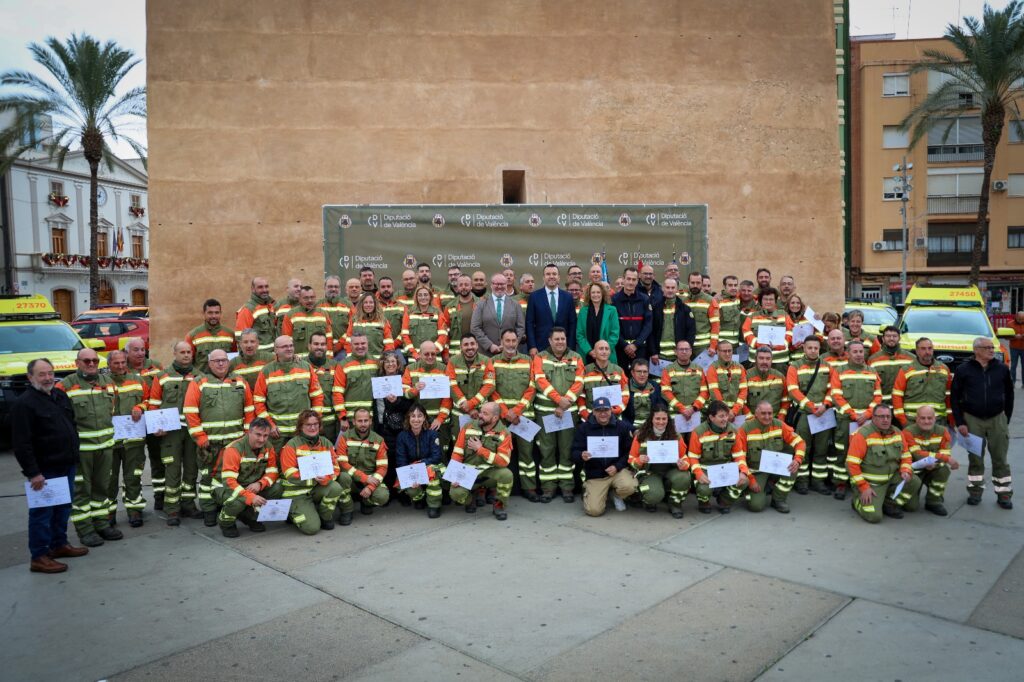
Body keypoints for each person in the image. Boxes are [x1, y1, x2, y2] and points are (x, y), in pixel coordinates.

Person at [13, 358, 89, 573]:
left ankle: (59, 545)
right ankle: (39, 556)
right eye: (41, 374)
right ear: (30, 377)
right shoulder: (24, 404)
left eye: (50, 373)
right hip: (45, 470)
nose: (47, 378)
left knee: (63, 508)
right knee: (42, 513)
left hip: (65, 464)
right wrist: (33, 473)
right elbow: (21, 443)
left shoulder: (59, 395)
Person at [55, 348, 122, 545]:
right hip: (81, 450)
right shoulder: (65, 386)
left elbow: (112, 410)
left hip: (105, 447)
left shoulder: (108, 383)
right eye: (86, 361)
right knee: (81, 490)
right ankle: (85, 530)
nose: (91, 364)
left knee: (102, 487)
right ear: (77, 363)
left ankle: (101, 524)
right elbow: (61, 421)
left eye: (94, 360)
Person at [184, 348, 255, 526]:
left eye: (224, 360)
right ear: (209, 364)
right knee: (208, 477)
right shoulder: (199, 382)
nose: (221, 363)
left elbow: (249, 409)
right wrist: (200, 438)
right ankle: (208, 509)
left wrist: (247, 435)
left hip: (235, 443)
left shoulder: (239, 381)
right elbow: (190, 412)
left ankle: (232, 508)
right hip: (211, 443)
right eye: (217, 361)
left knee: (235, 477)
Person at [951, 336, 1015, 509]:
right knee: (975, 459)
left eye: (992, 347)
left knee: (1000, 458)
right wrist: (960, 422)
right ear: (976, 350)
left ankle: (1004, 494)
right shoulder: (963, 369)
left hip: (997, 419)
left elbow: (1010, 394)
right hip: (972, 419)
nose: (992, 350)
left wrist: (1005, 418)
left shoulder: (1002, 369)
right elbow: (955, 397)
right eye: (988, 347)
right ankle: (975, 492)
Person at [149, 341, 202, 526]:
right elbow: (154, 403)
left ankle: (188, 504)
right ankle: (172, 508)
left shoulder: (200, 376)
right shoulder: (162, 376)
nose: (186, 355)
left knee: (191, 468)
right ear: (175, 354)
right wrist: (156, 426)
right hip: (170, 432)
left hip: (192, 430)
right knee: (172, 469)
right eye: (182, 352)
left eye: (188, 352)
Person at [532, 327, 585, 502]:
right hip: (546, 412)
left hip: (568, 413)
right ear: (550, 341)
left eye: (563, 338)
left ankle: (567, 487)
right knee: (546, 450)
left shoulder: (576, 358)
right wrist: (558, 400)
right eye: (557, 339)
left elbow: (579, 382)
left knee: (566, 450)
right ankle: (548, 488)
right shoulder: (540, 357)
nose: (560, 342)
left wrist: (565, 402)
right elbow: (540, 380)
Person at [846, 403, 921, 523]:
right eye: (881, 416)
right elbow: (851, 464)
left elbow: (906, 455)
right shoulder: (862, 434)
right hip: (872, 483)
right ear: (873, 417)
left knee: (914, 487)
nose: (885, 419)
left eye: (888, 416)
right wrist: (863, 487)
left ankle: (889, 503)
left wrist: (905, 470)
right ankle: (857, 502)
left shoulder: (897, 432)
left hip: (892, 478)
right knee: (874, 517)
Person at [727, 400, 805, 513]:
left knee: (792, 468)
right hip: (756, 471)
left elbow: (800, 442)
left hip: (775, 466)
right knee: (756, 506)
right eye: (763, 413)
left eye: (770, 413)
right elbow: (740, 458)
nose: (767, 417)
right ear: (756, 414)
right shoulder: (745, 429)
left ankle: (778, 499)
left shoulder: (779, 424)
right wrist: (751, 480)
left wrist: (797, 459)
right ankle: (751, 490)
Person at [210, 417, 281, 537]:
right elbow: (229, 482)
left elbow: (273, 472)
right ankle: (226, 522)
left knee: (277, 488)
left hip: (250, 485)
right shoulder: (234, 449)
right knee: (237, 502)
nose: (262, 439)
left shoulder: (268, 446)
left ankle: (249, 517)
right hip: (224, 487)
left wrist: (260, 484)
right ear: (249, 432)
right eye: (258, 435)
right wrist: (250, 497)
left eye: (265, 435)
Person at [829, 340, 881, 500]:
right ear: (848, 353)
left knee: (866, 452)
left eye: (861, 351)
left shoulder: (872, 371)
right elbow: (836, 395)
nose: (859, 355)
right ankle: (840, 483)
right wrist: (853, 414)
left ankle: (860, 483)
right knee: (843, 451)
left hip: (867, 421)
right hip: (846, 420)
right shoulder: (840, 371)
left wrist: (868, 413)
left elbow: (878, 396)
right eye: (855, 352)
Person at [253, 335, 324, 453]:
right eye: (285, 346)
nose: (289, 349)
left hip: (302, 431)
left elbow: (317, 396)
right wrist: (269, 425)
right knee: (277, 462)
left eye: (291, 346)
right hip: (278, 434)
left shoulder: (305, 367)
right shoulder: (266, 371)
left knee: (303, 462)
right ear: (276, 350)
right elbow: (258, 402)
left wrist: (314, 421)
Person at [491, 329, 539, 500]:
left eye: (513, 341)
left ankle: (529, 488)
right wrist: (506, 412)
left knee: (527, 454)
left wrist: (517, 411)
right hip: (500, 418)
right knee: (498, 454)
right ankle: (497, 489)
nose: (511, 344)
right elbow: (491, 389)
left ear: (518, 342)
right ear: (501, 341)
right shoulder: (493, 362)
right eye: (507, 340)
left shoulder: (528, 361)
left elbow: (532, 387)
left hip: (523, 417)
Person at [277, 410, 343, 534]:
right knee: (312, 529)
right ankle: (292, 511)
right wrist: (313, 479)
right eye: (308, 424)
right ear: (300, 426)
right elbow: (290, 474)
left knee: (335, 487)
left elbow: (335, 468)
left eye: (315, 424)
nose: (313, 428)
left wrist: (327, 478)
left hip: (316, 487)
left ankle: (324, 516)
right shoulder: (291, 445)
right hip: (297, 492)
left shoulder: (326, 443)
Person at [571, 396, 637, 516]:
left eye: (606, 410)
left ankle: (616, 495)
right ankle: (594, 492)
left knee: (630, 486)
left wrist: (617, 466)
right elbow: (574, 451)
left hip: (617, 471)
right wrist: (581, 455)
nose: (603, 414)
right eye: (599, 410)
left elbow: (629, 451)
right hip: (596, 474)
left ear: (611, 410)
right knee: (594, 511)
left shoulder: (621, 426)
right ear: (593, 411)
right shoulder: (584, 428)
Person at [786, 336, 836, 495]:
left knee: (821, 450)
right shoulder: (794, 366)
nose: (813, 351)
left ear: (820, 349)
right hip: (804, 414)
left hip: (824, 414)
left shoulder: (827, 366)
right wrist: (812, 407)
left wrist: (825, 405)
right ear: (804, 348)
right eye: (810, 348)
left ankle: (818, 482)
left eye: (816, 348)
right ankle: (801, 482)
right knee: (804, 450)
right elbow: (793, 390)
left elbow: (833, 389)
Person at [450, 401, 514, 520]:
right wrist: (455, 475)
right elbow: (457, 453)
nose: (480, 415)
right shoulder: (468, 427)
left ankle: (499, 505)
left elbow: (504, 461)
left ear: (495, 418)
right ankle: (470, 500)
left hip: (490, 473)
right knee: (455, 493)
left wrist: (480, 450)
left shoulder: (504, 433)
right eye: (481, 412)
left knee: (507, 475)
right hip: (469, 472)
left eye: (485, 413)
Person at [107, 350, 149, 527]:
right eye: (116, 363)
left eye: (123, 362)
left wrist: (140, 406)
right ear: (109, 364)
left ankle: (134, 510)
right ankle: (108, 513)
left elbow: (149, 400)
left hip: (133, 440)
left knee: (133, 476)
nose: (120, 366)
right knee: (108, 479)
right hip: (110, 441)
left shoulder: (138, 381)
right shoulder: (102, 383)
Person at [688, 400, 750, 514]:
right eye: (721, 416)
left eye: (726, 415)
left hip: (726, 468)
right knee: (703, 489)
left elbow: (739, 455)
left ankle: (724, 500)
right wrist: (698, 473)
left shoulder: (733, 430)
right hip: (706, 469)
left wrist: (743, 471)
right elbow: (693, 457)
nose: (725, 419)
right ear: (711, 417)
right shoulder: (698, 432)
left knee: (744, 481)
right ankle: (704, 502)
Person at [629, 405, 691, 517]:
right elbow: (631, 459)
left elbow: (684, 457)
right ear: (651, 419)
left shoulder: (676, 436)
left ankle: (675, 504)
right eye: (657, 418)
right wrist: (639, 460)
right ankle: (649, 499)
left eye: (664, 419)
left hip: (670, 470)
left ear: (668, 419)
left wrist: (684, 465)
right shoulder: (641, 435)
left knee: (684, 477)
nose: (661, 422)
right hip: (650, 472)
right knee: (654, 496)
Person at [125, 336, 165, 509]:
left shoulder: (156, 367)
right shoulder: (121, 368)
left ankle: (160, 497)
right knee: (134, 464)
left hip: (153, 421)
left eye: (143, 349)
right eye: (136, 350)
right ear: (127, 352)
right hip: (132, 423)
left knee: (158, 460)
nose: (141, 353)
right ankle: (135, 501)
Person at [902, 405, 960, 516]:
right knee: (910, 507)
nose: (926, 421)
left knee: (944, 470)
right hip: (915, 472)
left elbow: (945, 453)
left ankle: (933, 501)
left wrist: (936, 463)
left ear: (935, 418)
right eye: (922, 418)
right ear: (916, 419)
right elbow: (917, 454)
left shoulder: (943, 431)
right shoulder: (908, 432)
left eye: (929, 418)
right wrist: (946, 459)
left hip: (933, 468)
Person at [337, 407, 390, 521]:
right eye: (360, 421)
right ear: (354, 422)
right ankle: (347, 509)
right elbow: (342, 464)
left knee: (383, 496)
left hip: (370, 480)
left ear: (370, 421)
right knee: (342, 477)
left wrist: (370, 487)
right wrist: (364, 478)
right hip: (351, 480)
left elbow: (382, 468)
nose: (363, 424)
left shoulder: (378, 440)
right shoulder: (345, 438)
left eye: (366, 420)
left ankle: (366, 501)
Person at [402, 340, 454, 451]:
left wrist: (440, 419)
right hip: (418, 421)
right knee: (420, 451)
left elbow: (448, 397)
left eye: (433, 354)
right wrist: (415, 389)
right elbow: (405, 394)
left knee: (441, 452)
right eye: (426, 354)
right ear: (420, 354)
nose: (430, 357)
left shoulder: (444, 369)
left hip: (439, 422)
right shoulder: (410, 368)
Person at [395, 404, 444, 517]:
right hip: (411, 469)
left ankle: (434, 505)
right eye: (413, 416)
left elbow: (436, 457)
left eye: (419, 416)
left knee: (432, 471)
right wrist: (410, 474)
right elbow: (401, 461)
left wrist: (420, 464)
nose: (416, 419)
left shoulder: (432, 434)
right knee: (407, 484)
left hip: (428, 466)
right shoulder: (402, 436)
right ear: (408, 418)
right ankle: (419, 498)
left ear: (424, 418)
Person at [372, 350, 412, 488]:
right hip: (381, 426)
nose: (390, 364)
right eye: (387, 361)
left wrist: (396, 401)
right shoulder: (377, 381)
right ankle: (389, 488)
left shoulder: (403, 380)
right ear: (382, 364)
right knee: (385, 458)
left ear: (398, 364)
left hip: (399, 427)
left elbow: (409, 406)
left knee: (400, 458)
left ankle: (401, 489)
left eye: (393, 361)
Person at [892, 337, 952, 427]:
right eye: (923, 349)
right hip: (912, 421)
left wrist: (951, 418)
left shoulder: (944, 369)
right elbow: (897, 395)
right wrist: (903, 420)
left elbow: (949, 396)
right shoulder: (906, 370)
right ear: (917, 351)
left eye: (930, 348)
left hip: (938, 421)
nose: (927, 352)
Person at [447, 334, 496, 436]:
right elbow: (451, 385)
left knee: (480, 441)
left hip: (481, 413)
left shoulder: (486, 361)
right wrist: (468, 407)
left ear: (477, 345)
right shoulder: (453, 361)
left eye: (472, 344)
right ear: (461, 347)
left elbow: (489, 386)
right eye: (466, 344)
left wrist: (471, 404)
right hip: (459, 412)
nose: (470, 347)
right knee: (458, 441)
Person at [525, 263, 577, 356]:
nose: (551, 276)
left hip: (563, 347)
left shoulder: (568, 297)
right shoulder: (534, 296)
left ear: (559, 277)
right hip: (540, 347)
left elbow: (572, 324)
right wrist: (532, 346)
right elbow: (529, 323)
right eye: (548, 274)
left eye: (554, 274)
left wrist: (571, 347)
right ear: (543, 277)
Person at [333, 332, 378, 436]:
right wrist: (343, 417)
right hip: (349, 420)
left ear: (367, 344)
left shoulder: (376, 363)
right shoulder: (343, 365)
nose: (360, 346)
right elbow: (337, 393)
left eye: (363, 343)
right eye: (356, 344)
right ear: (350, 345)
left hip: (370, 419)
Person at [471, 273, 525, 357]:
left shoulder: (515, 305)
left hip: (509, 353)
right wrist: (489, 345)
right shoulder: (480, 305)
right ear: (491, 285)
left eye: (502, 284)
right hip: (486, 354)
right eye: (496, 284)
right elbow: (475, 328)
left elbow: (521, 327)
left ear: (506, 285)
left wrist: (511, 344)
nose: (499, 286)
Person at [660, 339, 707, 434]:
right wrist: (682, 409)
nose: (684, 352)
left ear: (691, 351)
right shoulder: (668, 370)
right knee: (678, 441)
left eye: (686, 349)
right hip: (676, 415)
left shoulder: (698, 369)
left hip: (695, 414)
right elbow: (666, 392)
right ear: (675, 352)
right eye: (681, 349)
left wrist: (694, 408)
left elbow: (705, 392)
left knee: (694, 441)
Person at [611, 267, 652, 369]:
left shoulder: (645, 299)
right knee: (621, 376)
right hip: (620, 348)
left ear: (638, 281)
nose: (631, 282)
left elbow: (648, 325)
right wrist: (624, 345)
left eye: (634, 279)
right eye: (628, 279)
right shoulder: (614, 300)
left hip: (640, 348)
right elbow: (613, 326)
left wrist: (635, 345)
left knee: (640, 376)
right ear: (623, 279)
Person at [742, 288, 792, 372]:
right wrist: (760, 344)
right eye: (765, 299)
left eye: (771, 299)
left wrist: (780, 345)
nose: (768, 302)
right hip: (756, 361)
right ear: (761, 301)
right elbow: (746, 333)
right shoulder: (752, 316)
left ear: (775, 301)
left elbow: (790, 333)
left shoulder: (784, 315)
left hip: (779, 361)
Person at [578, 340, 629, 421]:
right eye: (601, 349)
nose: (604, 351)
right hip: (591, 418)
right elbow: (580, 395)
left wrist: (618, 409)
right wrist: (584, 413)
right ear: (594, 352)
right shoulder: (585, 370)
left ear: (610, 352)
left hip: (613, 418)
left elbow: (625, 393)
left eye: (607, 349)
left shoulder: (618, 370)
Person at [649, 277, 695, 365]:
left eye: (673, 288)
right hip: (659, 356)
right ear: (663, 288)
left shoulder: (685, 309)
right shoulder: (655, 308)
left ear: (677, 289)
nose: (670, 290)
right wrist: (653, 352)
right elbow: (650, 332)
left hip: (678, 356)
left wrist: (685, 351)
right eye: (667, 287)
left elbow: (691, 332)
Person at [306, 331, 340, 444]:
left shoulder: (335, 366)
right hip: (306, 423)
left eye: (322, 344)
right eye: (316, 344)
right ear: (309, 346)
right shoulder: (300, 366)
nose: (319, 347)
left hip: (329, 424)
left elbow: (339, 394)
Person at [185, 298, 236, 374]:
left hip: (225, 379)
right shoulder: (193, 336)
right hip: (202, 379)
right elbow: (187, 362)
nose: (213, 316)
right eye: (210, 313)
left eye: (216, 313)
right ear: (204, 313)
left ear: (220, 313)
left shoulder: (230, 334)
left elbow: (234, 359)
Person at [401, 284, 449, 361]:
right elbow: (404, 336)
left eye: (426, 295)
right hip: (414, 359)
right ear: (416, 297)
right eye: (420, 295)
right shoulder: (409, 313)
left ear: (430, 297)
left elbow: (443, 336)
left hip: (434, 358)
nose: (423, 297)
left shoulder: (438, 313)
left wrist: (431, 352)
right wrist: (414, 354)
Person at [576, 281, 621, 363]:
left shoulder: (612, 310)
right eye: (593, 292)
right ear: (589, 294)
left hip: (606, 355)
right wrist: (589, 351)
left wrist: (603, 350)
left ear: (602, 294)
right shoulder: (583, 311)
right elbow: (579, 334)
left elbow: (614, 334)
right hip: (587, 355)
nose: (595, 295)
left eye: (598, 292)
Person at [281, 285, 333, 355]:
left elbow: (329, 338)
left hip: (319, 358)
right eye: (306, 298)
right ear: (299, 299)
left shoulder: (323, 314)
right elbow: (286, 340)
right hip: (299, 360)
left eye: (312, 297)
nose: (310, 300)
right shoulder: (290, 315)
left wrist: (329, 356)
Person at [868, 325, 914, 403]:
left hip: (903, 403)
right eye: (888, 336)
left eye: (894, 336)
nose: (891, 338)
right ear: (883, 339)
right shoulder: (873, 360)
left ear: (899, 338)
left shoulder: (910, 358)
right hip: (882, 405)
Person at [344, 292, 396, 359]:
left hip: (377, 360)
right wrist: (350, 357)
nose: (368, 305)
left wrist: (384, 360)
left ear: (375, 304)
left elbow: (389, 343)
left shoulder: (382, 321)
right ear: (361, 305)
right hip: (358, 360)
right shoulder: (354, 320)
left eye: (371, 302)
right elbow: (348, 341)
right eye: (365, 302)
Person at [702, 340, 747, 418]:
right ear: (718, 352)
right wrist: (727, 411)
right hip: (720, 412)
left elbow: (744, 391)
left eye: (729, 351)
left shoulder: (740, 367)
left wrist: (734, 411)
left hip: (737, 412)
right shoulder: (713, 369)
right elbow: (715, 393)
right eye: (724, 351)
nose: (727, 354)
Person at [745, 345, 789, 420]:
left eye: (768, 359)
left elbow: (786, 399)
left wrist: (781, 416)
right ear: (755, 359)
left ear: (772, 360)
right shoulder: (746, 376)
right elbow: (742, 402)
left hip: (775, 420)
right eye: (761, 358)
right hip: (754, 420)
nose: (764, 362)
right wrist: (751, 419)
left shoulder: (780, 377)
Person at [681, 271, 719, 356]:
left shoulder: (710, 301)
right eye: (692, 283)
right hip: (686, 347)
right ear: (688, 283)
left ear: (702, 283)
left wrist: (713, 346)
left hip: (704, 348)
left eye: (698, 283)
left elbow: (715, 326)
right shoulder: (683, 301)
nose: (695, 285)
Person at [622, 358, 666, 431]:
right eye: (639, 371)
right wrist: (632, 430)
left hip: (653, 428)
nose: (642, 375)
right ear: (632, 373)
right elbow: (622, 415)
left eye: (645, 372)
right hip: (630, 429)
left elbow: (661, 408)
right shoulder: (624, 387)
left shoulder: (655, 386)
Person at [235, 276, 276, 352]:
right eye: (260, 287)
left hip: (272, 355)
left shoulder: (269, 306)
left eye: (266, 286)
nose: (264, 290)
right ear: (253, 289)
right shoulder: (247, 309)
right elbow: (240, 337)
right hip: (258, 356)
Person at [445, 275, 477, 363]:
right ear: (457, 287)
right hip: (455, 352)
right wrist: (445, 352)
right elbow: (445, 331)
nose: (463, 287)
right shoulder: (450, 306)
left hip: (476, 351)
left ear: (471, 286)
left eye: (466, 285)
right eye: (461, 285)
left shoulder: (481, 304)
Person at [318, 276, 352, 357]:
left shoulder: (348, 305)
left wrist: (339, 344)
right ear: (324, 288)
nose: (333, 289)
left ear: (340, 289)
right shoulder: (317, 306)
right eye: (330, 286)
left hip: (342, 349)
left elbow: (352, 328)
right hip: (321, 348)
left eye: (336, 287)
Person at [376, 276, 407, 348]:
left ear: (393, 288)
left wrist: (395, 344)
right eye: (383, 287)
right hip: (378, 347)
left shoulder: (402, 306)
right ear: (379, 289)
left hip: (397, 347)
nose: (386, 289)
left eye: (388, 286)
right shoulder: (373, 306)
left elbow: (405, 329)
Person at [716, 275, 743, 348]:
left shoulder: (738, 299)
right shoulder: (718, 301)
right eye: (730, 285)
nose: (733, 288)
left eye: (735, 285)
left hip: (736, 345)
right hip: (722, 345)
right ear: (724, 287)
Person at [1010, 310, 1024, 387]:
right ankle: (1012, 383)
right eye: (1020, 319)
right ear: (1016, 317)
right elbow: (1006, 337)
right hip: (1014, 348)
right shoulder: (1010, 324)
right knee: (1013, 366)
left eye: (1023, 319)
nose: (1021, 321)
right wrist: (1014, 337)